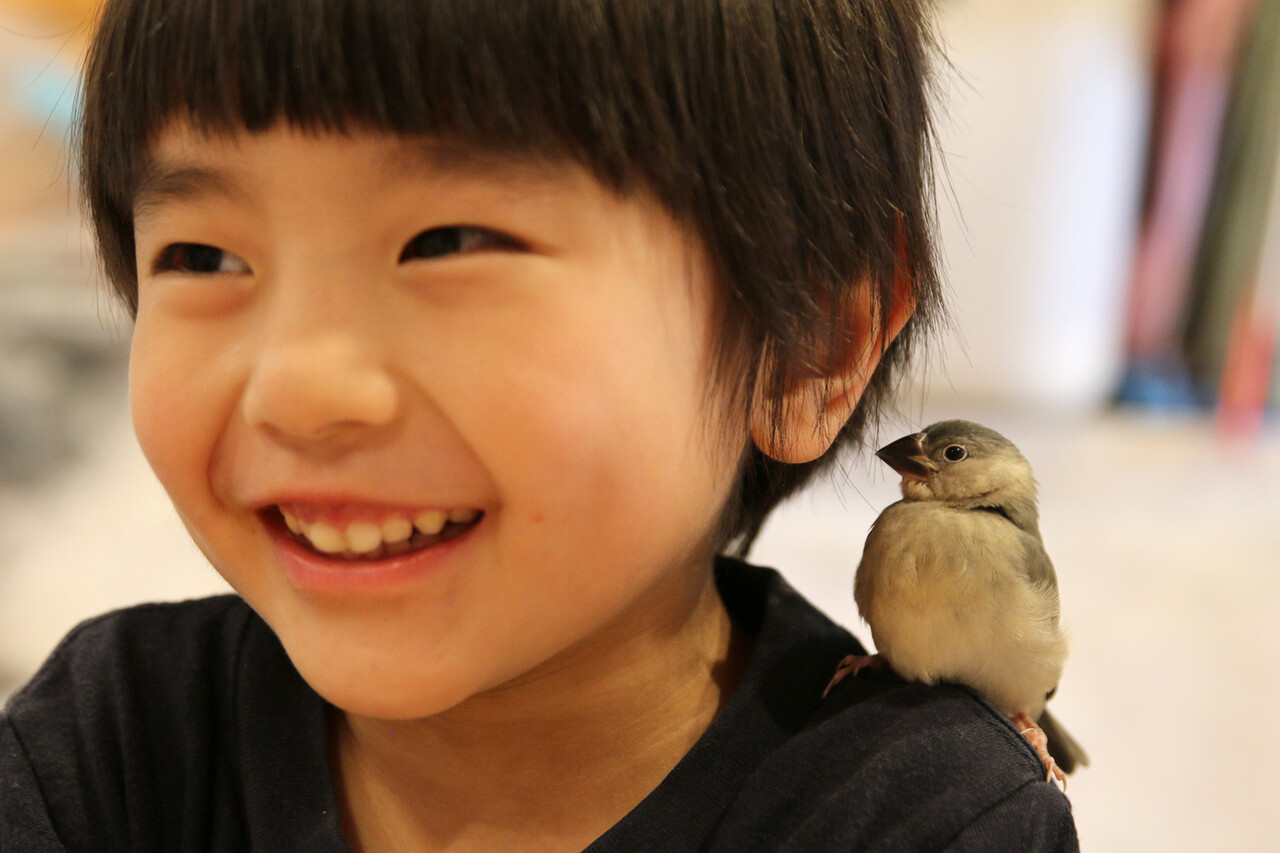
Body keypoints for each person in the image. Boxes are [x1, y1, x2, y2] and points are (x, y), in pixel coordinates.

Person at [0, 0, 1078, 850]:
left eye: (450, 240)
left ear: (806, 345)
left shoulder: (917, 818)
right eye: (203, 256)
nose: (298, 388)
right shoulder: (111, 744)